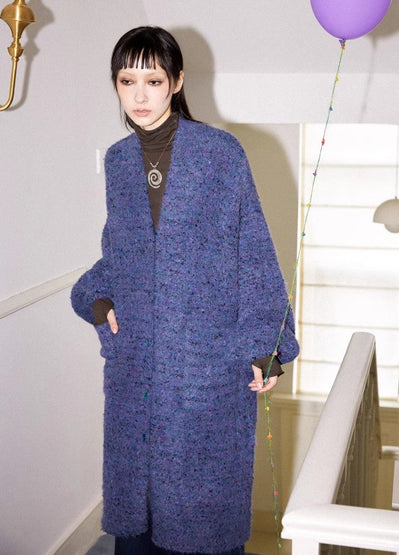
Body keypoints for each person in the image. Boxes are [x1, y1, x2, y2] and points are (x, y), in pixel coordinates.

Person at [71, 26, 299, 555]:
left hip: (205, 372)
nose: (139, 95)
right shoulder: (117, 162)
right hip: (134, 373)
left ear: (176, 82)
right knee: (135, 526)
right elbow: (120, 253)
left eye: (153, 80)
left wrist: (267, 348)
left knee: (202, 526)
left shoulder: (220, 154)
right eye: (127, 81)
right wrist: (99, 300)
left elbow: (253, 253)